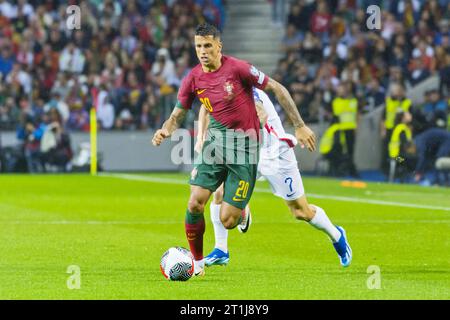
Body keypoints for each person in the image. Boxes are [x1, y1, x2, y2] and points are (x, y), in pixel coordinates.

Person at [152, 23, 318, 277]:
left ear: (219, 46)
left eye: (208, 46)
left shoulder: (238, 69)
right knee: (195, 202)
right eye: (198, 46)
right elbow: (177, 115)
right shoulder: (193, 78)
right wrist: (166, 129)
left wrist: (300, 125)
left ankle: (242, 212)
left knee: (228, 220)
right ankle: (196, 264)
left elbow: (277, 88)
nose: (203, 51)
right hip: (215, 146)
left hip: (245, 149)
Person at [197, 88, 352, 268]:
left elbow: (260, 114)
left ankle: (336, 235)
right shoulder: (214, 84)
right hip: (246, 150)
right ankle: (221, 249)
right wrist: (201, 137)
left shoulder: (244, 86)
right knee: (220, 190)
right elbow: (205, 107)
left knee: (301, 211)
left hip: (274, 152)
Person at [331, 82, 359, 177]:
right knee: (342, 151)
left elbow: (355, 114)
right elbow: (337, 115)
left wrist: (356, 127)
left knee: (350, 151)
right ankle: (344, 170)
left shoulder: (353, 101)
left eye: (342, 90)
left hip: (351, 129)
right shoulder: (336, 102)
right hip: (341, 130)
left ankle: (350, 169)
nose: (340, 92)